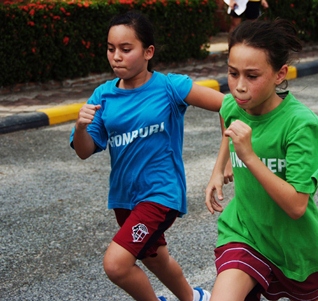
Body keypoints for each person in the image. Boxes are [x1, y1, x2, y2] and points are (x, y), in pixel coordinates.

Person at [70, 10, 225, 301]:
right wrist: (81, 126)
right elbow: (83, 151)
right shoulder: (103, 96)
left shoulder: (169, 87)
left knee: (116, 265)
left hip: (160, 194)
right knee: (155, 258)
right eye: (111, 48)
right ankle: (194, 298)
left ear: (148, 51)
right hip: (124, 198)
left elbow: (228, 107)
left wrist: (223, 163)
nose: (116, 56)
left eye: (126, 49)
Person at [205, 19, 318, 301]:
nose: (239, 86)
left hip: (295, 247)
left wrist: (249, 157)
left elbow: (296, 206)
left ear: (280, 74)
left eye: (252, 76)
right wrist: (221, 167)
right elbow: (226, 119)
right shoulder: (233, 104)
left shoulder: (301, 127)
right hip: (244, 233)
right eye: (232, 73)